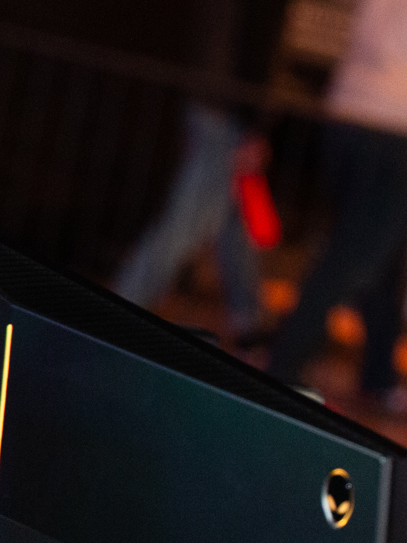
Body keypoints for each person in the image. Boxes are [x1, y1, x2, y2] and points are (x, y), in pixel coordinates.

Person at [267, 0, 407, 416]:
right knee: (355, 258)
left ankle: (379, 377)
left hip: (351, 112)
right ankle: (283, 366)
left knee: (378, 258)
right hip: (400, 130)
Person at [112, 0, 288, 342]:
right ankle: (118, 309)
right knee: (186, 225)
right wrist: (254, 122)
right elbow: (257, 40)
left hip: (215, 101)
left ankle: (249, 322)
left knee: (233, 220)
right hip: (225, 107)